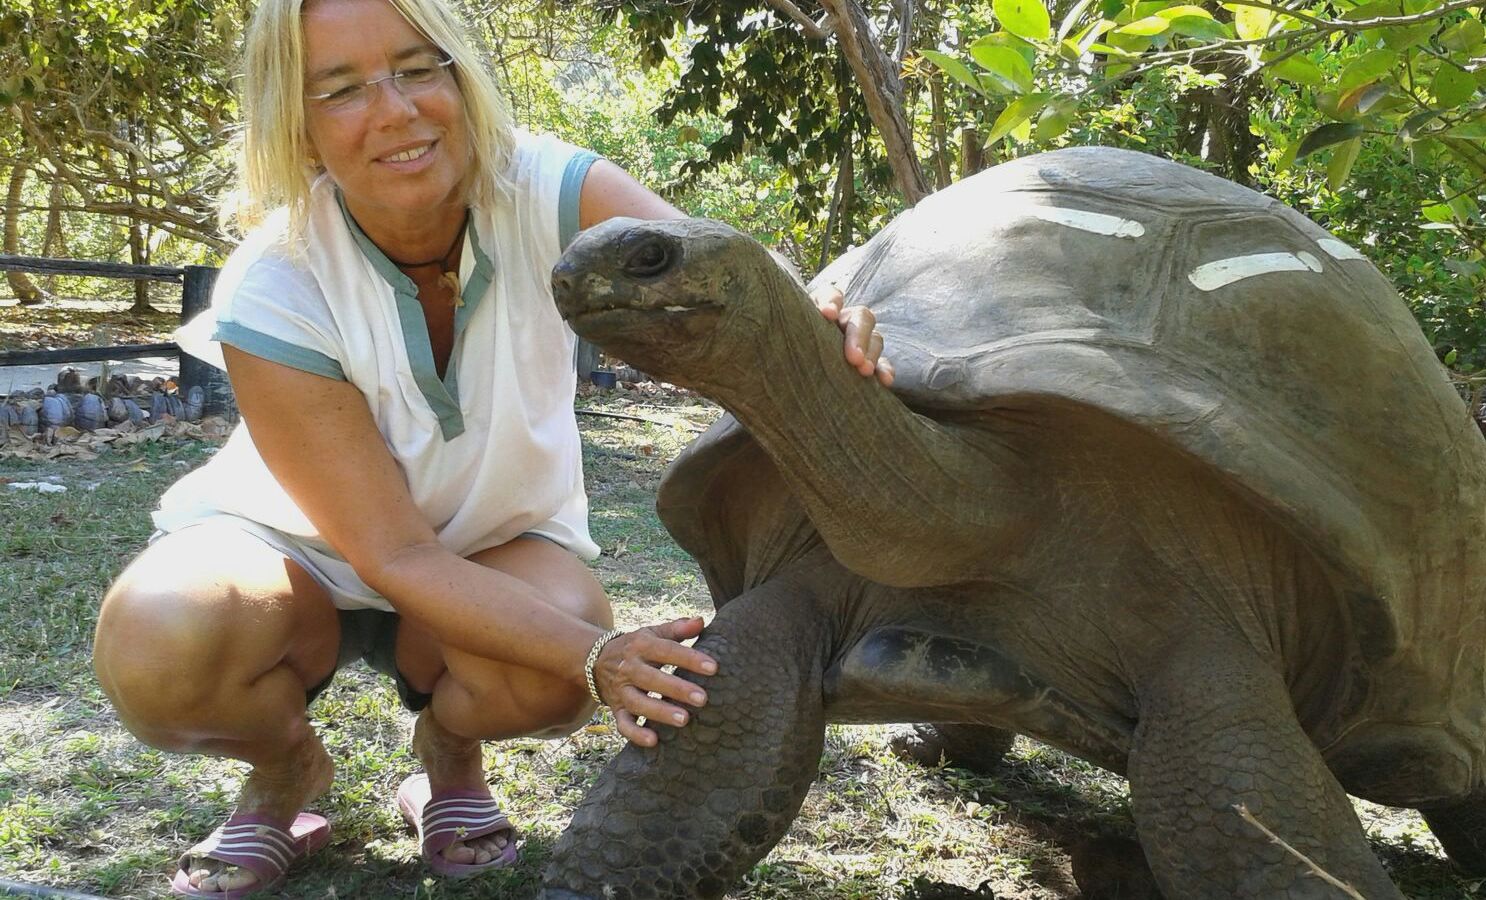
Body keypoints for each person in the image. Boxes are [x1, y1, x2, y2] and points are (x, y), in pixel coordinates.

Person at [90, 0, 892, 893]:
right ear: (299, 126)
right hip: (295, 557)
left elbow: (710, 266)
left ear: (460, 76)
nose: (395, 110)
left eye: (418, 67)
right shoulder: (273, 284)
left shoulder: (544, 186)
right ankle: (285, 771)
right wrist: (604, 659)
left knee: (547, 672)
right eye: (341, 89)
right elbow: (392, 552)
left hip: (492, 542)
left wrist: (819, 310)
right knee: (160, 648)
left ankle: (450, 753)